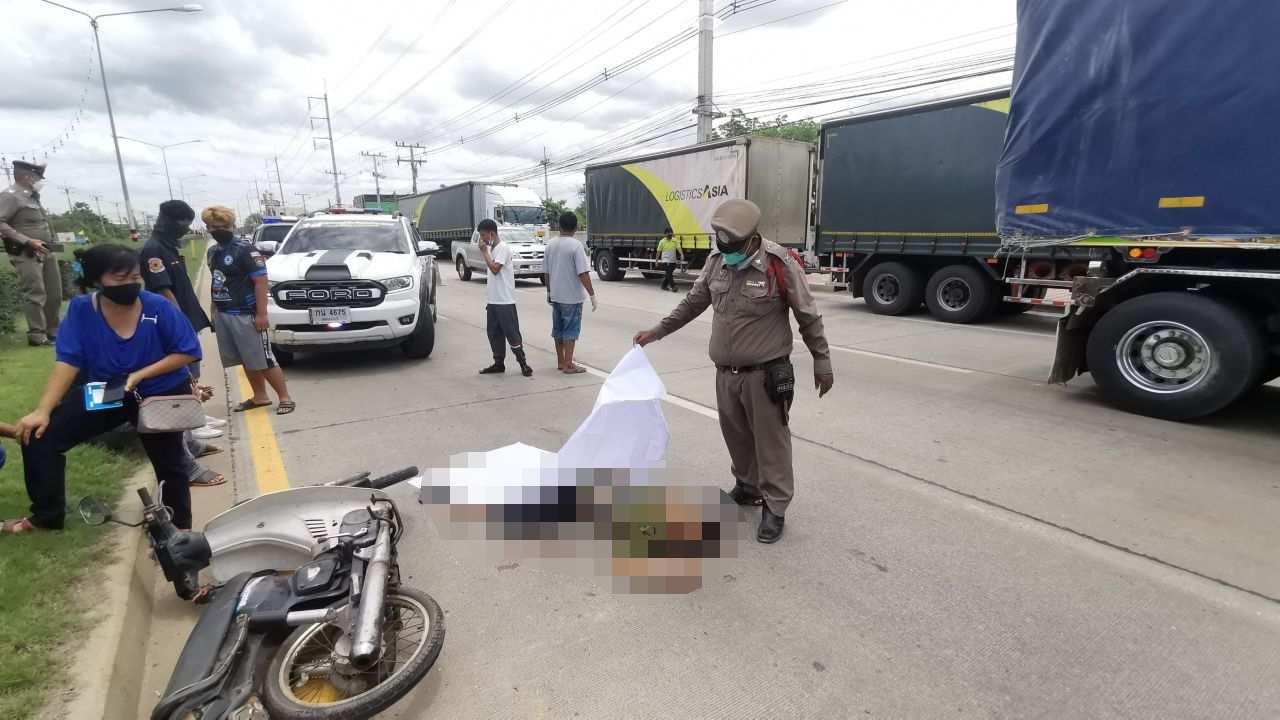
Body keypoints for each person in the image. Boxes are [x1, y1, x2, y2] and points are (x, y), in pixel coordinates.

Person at [633, 199, 834, 544]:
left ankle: (775, 506)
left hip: (765, 374)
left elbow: (808, 315)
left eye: (733, 246)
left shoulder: (779, 264)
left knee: (771, 444)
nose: (726, 252)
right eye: (721, 245)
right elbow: (693, 303)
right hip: (726, 374)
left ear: (751, 238)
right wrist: (657, 331)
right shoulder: (717, 262)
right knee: (736, 436)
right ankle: (748, 486)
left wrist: (822, 360)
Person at [6, 245, 200, 534]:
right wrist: (43, 410)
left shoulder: (157, 306)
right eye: (120, 279)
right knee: (40, 435)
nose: (130, 284)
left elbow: (188, 350)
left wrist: (140, 374)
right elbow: (68, 360)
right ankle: (46, 517)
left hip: (159, 391)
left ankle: (178, 532)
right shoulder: (82, 309)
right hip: (111, 391)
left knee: (170, 463)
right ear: (97, 279)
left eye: (135, 277)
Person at [141, 200, 226, 487]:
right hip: (176, 329)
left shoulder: (167, 247)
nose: (186, 229)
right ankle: (185, 465)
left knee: (189, 384)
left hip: (185, 324)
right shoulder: (154, 249)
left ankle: (191, 445)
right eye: (183, 223)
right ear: (168, 220)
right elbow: (163, 291)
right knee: (179, 390)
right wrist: (178, 326)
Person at [201, 206, 295, 415]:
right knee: (244, 358)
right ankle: (259, 396)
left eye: (222, 226)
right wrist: (214, 310)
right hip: (224, 312)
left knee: (264, 358)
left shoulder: (245, 250)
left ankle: (284, 397)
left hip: (246, 313)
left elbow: (261, 282)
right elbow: (217, 281)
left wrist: (262, 314)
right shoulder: (213, 252)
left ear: (231, 226)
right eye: (212, 226)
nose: (217, 230)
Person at [0, 160, 62, 346]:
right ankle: (37, 335)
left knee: (54, 293)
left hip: (46, 250)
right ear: (27, 177)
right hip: (26, 252)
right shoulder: (10, 196)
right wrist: (27, 241)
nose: (40, 181)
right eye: (37, 177)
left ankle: (53, 331)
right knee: (35, 293)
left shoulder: (32, 196)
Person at [477, 218, 533, 377]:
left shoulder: (503, 248)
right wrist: (486, 252)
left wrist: (484, 252)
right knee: (494, 333)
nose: (482, 239)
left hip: (505, 301)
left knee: (512, 333)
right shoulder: (493, 249)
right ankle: (498, 363)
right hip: (493, 300)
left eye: (483, 235)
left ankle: (523, 363)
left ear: (491, 233)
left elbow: (495, 269)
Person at [543, 211, 597, 374]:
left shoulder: (550, 244)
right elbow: (583, 273)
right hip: (572, 297)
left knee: (558, 329)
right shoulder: (576, 246)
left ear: (559, 226)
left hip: (556, 295)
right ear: (575, 227)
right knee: (570, 331)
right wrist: (592, 294)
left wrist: (549, 291)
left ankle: (561, 361)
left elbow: (546, 272)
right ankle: (568, 364)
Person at [657, 226, 683, 292]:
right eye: (668, 233)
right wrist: (656, 261)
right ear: (665, 234)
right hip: (665, 261)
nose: (670, 234)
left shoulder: (675, 241)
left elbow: (679, 248)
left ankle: (663, 285)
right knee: (669, 273)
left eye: (671, 232)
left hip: (673, 260)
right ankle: (673, 286)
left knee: (669, 274)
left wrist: (682, 254)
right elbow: (658, 252)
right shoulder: (662, 241)